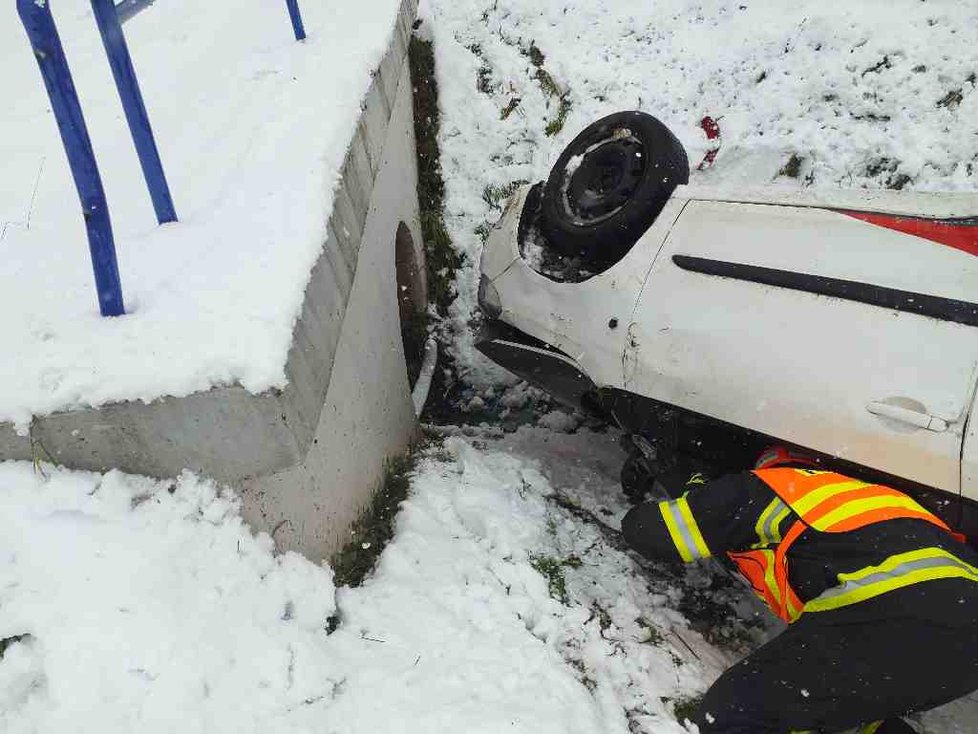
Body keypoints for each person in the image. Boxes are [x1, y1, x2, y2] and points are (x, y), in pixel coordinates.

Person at [621, 445, 978, 733]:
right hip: (965, 650)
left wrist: (694, 494)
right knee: (848, 700)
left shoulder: (774, 488)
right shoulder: (867, 501)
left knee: (736, 712)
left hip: (897, 614)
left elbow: (653, 533)